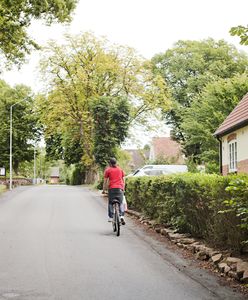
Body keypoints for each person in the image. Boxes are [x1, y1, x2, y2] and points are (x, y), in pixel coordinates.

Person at [103, 157, 126, 225]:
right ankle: (121, 216)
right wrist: (123, 189)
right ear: (116, 162)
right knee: (121, 202)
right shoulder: (120, 170)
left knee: (110, 203)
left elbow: (105, 182)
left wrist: (104, 190)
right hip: (120, 189)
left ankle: (110, 217)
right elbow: (124, 180)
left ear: (110, 163)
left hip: (112, 189)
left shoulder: (108, 170)